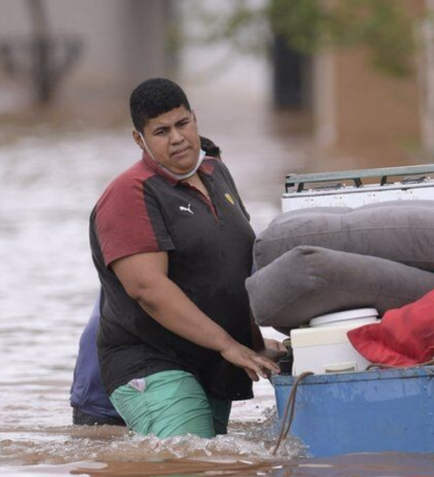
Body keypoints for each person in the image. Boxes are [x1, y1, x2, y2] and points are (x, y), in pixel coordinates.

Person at [89, 78, 279, 438]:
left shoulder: (216, 173)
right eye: (161, 131)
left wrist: (254, 344)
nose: (176, 138)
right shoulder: (130, 193)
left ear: (195, 118)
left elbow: (232, 272)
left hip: (213, 361)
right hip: (153, 362)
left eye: (182, 124)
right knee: (187, 476)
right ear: (139, 139)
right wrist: (227, 344)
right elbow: (148, 288)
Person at [71, 137, 223, 426]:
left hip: (160, 367)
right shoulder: (148, 228)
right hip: (111, 384)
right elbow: (153, 295)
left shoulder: (197, 235)